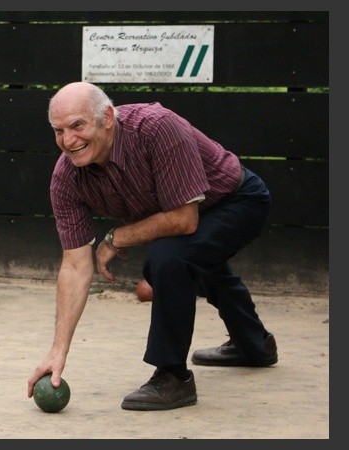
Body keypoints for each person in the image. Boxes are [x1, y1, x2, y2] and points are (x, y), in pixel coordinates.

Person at [26, 81, 278, 411]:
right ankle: (254, 344)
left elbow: (184, 220)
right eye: (59, 130)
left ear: (107, 118)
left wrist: (116, 238)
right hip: (190, 215)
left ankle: (174, 377)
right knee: (190, 261)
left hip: (237, 200)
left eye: (77, 125)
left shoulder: (157, 128)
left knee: (168, 258)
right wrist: (58, 351)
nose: (68, 141)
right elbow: (74, 266)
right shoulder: (67, 178)